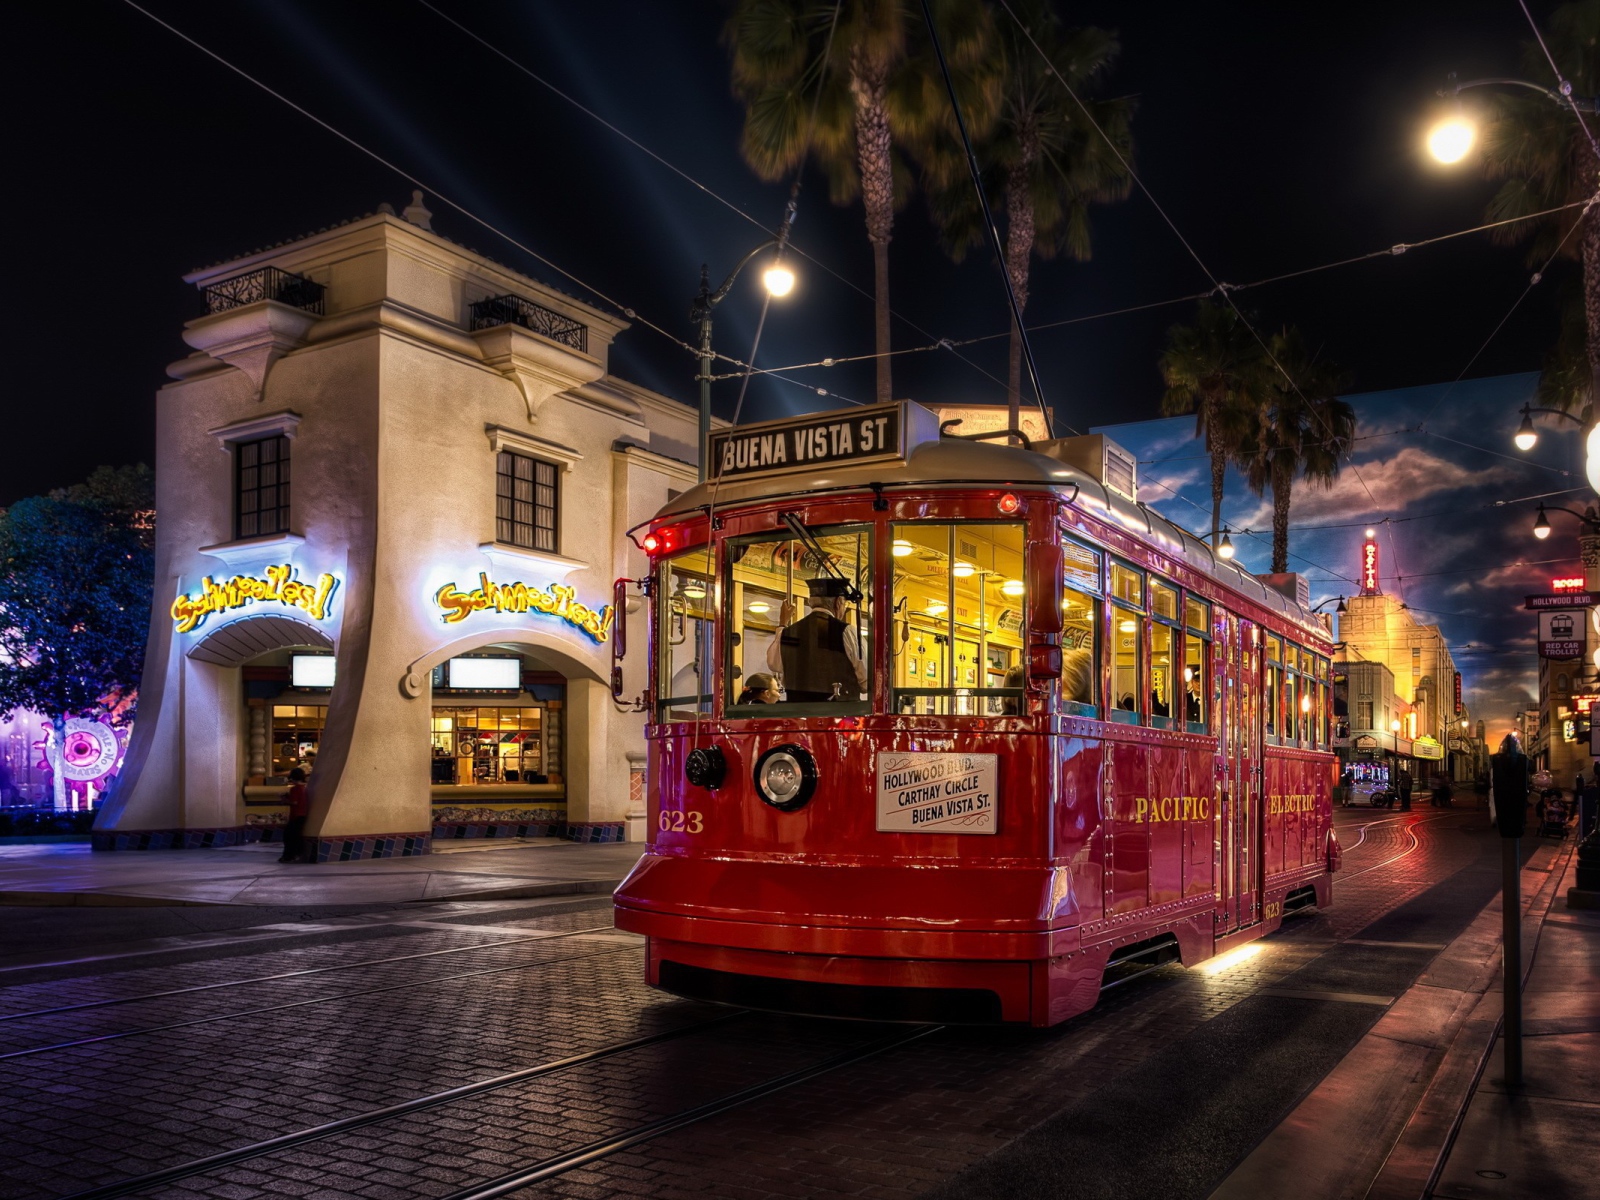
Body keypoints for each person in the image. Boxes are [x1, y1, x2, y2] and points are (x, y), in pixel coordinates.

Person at [767, 576, 866, 702]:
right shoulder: (847, 632)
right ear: (838, 603)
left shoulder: (789, 632)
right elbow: (867, 679)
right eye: (845, 604)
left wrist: (782, 625)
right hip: (839, 714)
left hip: (798, 713)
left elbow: (774, 664)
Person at [278, 767, 310, 863]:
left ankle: (289, 856)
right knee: (295, 836)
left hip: (296, 815)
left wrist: (284, 800)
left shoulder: (295, 789)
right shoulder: (304, 788)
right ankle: (296, 854)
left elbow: (294, 802)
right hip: (302, 815)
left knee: (288, 837)